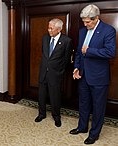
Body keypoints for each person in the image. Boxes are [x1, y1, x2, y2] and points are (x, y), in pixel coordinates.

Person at [69, 4, 116, 145]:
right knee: (83, 103)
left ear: (97, 18)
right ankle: (82, 127)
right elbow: (78, 52)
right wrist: (76, 67)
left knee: (98, 107)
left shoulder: (108, 30)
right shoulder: (83, 31)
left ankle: (94, 134)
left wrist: (89, 50)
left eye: (88, 21)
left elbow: (110, 52)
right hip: (83, 75)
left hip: (99, 77)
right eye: (83, 21)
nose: (85, 24)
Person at [35, 18, 73, 127]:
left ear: (59, 29)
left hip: (55, 74)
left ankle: (56, 116)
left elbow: (66, 60)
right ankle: (41, 114)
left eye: (51, 28)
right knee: (41, 95)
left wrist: (59, 71)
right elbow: (44, 54)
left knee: (55, 96)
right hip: (43, 72)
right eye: (48, 27)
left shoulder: (67, 41)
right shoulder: (45, 38)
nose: (49, 30)